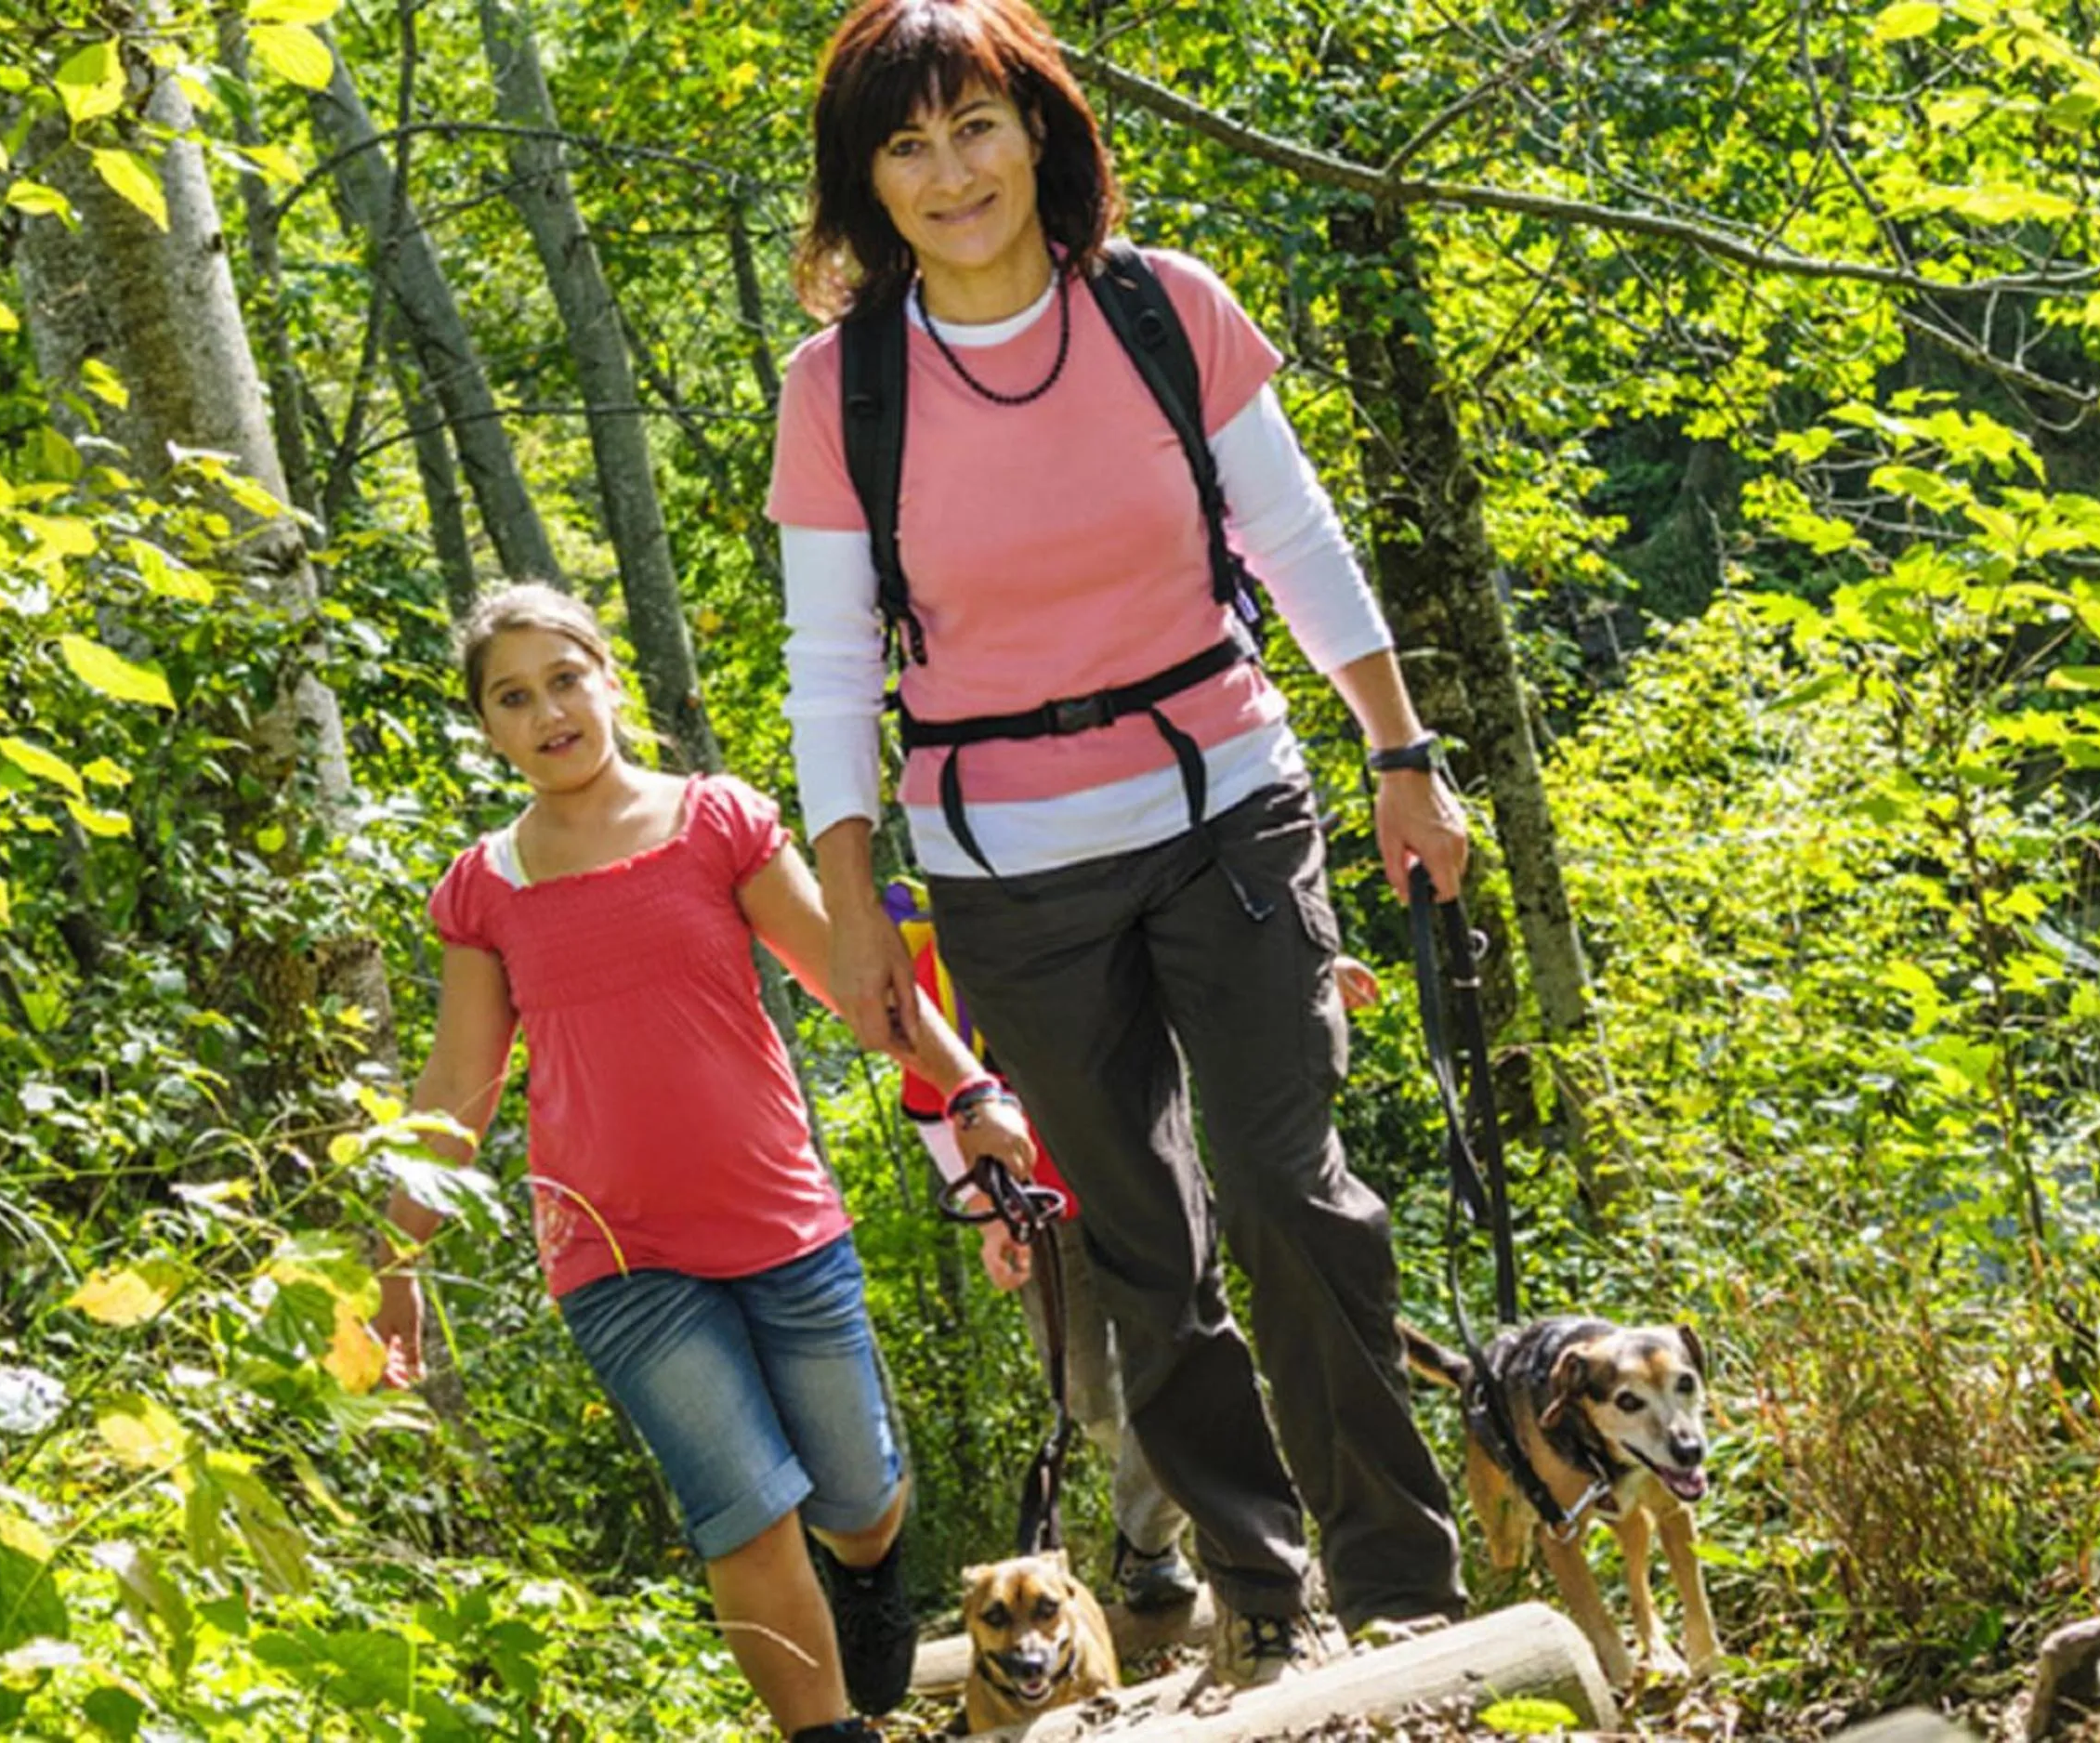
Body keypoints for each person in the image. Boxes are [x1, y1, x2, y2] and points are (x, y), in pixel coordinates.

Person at [766, 0, 1474, 1689]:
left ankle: (1399, 1585)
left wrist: (1399, 752)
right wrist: (854, 898)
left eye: (976, 127)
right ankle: (1264, 1590)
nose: (950, 174)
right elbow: (829, 659)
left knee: (1289, 1190)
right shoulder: (838, 388)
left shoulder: (1163, 311)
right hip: (1003, 873)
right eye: (905, 144)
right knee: (1142, 1247)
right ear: (864, 181)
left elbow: (1291, 540)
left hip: (1225, 808)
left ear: (1040, 130)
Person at [368, 583, 1034, 1743]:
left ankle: (871, 1573)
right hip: (612, 1254)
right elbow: (454, 1096)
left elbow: (853, 980)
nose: (548, 712)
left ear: (607, 678)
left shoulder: (714, 822)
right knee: (744, 1510)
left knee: (855, 1497)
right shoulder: (485, 890)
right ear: (487, 728)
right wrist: (394, 1261)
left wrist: (971, 1087)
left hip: (783, 1220)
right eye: (512, 698)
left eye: (565, 679)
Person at [885, 877, 1198, 1614]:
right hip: (1040, 1211)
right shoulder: (939, 966)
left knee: (1183, 1362)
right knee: (1090, 1399)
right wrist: (989, 1217)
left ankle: (1154, 1543)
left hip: (1140, 1179)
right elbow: (932, 1108)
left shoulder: (1105, 894)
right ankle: (1162, 1524)